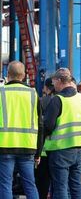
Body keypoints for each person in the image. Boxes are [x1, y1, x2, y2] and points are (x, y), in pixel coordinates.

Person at [43, 68, 81, 199]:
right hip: (78, 148)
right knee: (76, 185)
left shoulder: (58, 100)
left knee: (60, 186)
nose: (53, 85)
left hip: (60, 149)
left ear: (59, 80)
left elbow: (48, 126)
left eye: (54, 82)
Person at [0, 61, 41, 199]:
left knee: (5, 184)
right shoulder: (33, 94)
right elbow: (40, 123)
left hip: (4, 146)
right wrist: (38, 152)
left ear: (8, 74)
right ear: (23, 76)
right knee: (30, 184)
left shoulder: (1, 92)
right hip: (27, 146)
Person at [36, 76, 55, 199]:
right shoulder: (62, 100)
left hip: (43, 148)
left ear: (47, 88)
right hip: (59, 147)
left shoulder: (43, 101)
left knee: (42, 180)